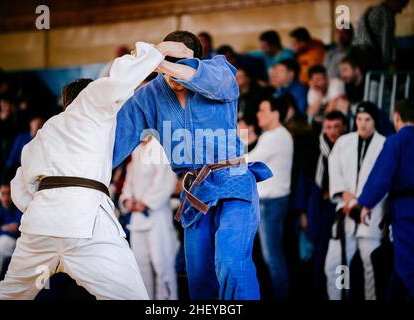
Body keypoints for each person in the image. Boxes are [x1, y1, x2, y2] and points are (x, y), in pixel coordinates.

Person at [0, 40, 192, 300]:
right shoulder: (93, 103)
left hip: (39, 225)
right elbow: (120, 80)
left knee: (10, 295)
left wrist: (47, 206)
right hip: (85, 222)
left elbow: (20, 188)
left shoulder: (45, 132)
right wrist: (161, 49)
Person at [114, 30, 272, 300]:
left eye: (181, 64)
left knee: (232, 265)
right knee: (199, 281)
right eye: (167, 67)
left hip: (233, 183)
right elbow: (116, 138)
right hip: (195, 195)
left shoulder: (218, 70)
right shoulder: (150, 95)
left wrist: (156, 60)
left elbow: (199, 77)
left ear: (194, 60)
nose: (173, 76)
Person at [325, 102, 386, 300]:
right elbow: (334, 169)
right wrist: (345, 195)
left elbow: (384, 179)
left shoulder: (384, 144)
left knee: (370, 267)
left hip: (371, 213)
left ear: (375, 121)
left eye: (367, 120)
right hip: (346, 211)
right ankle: (339, 297)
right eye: (359, 120)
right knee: (337, 265)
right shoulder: (344, 142)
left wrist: (363, 201)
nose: (363, 124)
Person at [359, 99, 414, 299]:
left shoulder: (396, 141)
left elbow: (381, 177)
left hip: (406, 211)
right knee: (400, 269)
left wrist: (365, 203)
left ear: (396, 116)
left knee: (407, 266)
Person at [120, 136, 179, 300]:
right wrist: (127, 200)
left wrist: (146, 202)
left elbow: (166, 180)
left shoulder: (160, 147)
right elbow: (129, 183)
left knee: (163, 266)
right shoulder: (137, 150)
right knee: (140, 268)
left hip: (157, 216)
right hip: (137, 218)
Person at [247, 94, 293, 300]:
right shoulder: (269, 135)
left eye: (263, 109)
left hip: (271, 204)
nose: (258, 114)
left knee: (272, 257)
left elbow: (248, 161)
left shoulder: (278, 136)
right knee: (267, 257)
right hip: (266, 203)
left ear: (276, 113)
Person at [305, 111, 347, 299]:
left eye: (336, 127)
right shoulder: (315, 147)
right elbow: (305, 181)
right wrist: (303, 212)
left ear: (344, 127)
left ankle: (342, 293)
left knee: (341, 258)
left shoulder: (350, 147)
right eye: (329, 127)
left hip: (340, 209)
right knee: (319, 257)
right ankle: (319, 294)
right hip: (318, 209)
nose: (332, 131)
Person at [353, 0, 410, 69]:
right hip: (368, 57)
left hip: (356, 54)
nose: (401, 11)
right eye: (401, 6)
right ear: (394, 1)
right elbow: (387, 42)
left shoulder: (370, 10)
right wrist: (388, 65)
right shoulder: (386, 14)